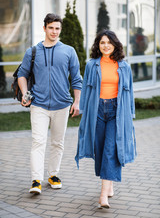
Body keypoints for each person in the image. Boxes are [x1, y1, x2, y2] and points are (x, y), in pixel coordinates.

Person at [18, 13, 82, 194]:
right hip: (38, 104)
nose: (54, 31)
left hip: (62, 105)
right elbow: (22, 74)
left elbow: (77, 79)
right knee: (38, 141)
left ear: (60, 30)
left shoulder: (69, 51)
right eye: (51, 28)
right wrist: (25, 94)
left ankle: (53, 175)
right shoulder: (32, 51)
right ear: (44, 28)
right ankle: (36, 180)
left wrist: (77, 102)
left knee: (57, 142)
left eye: (57, 28)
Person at [75, 30, 137, 208]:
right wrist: (83, 111)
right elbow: (86, 91)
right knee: (101, 150)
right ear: (98, 45)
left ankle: (103, 196)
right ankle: (108, 185)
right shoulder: (91, 65)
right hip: (97, 110)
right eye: (102, 42)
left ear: (115, 44)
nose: (106, 45)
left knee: (111, 149)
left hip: (116, 112)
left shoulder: (123, 66)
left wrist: (130, 115)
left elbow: (129, 92)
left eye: (109, 42)